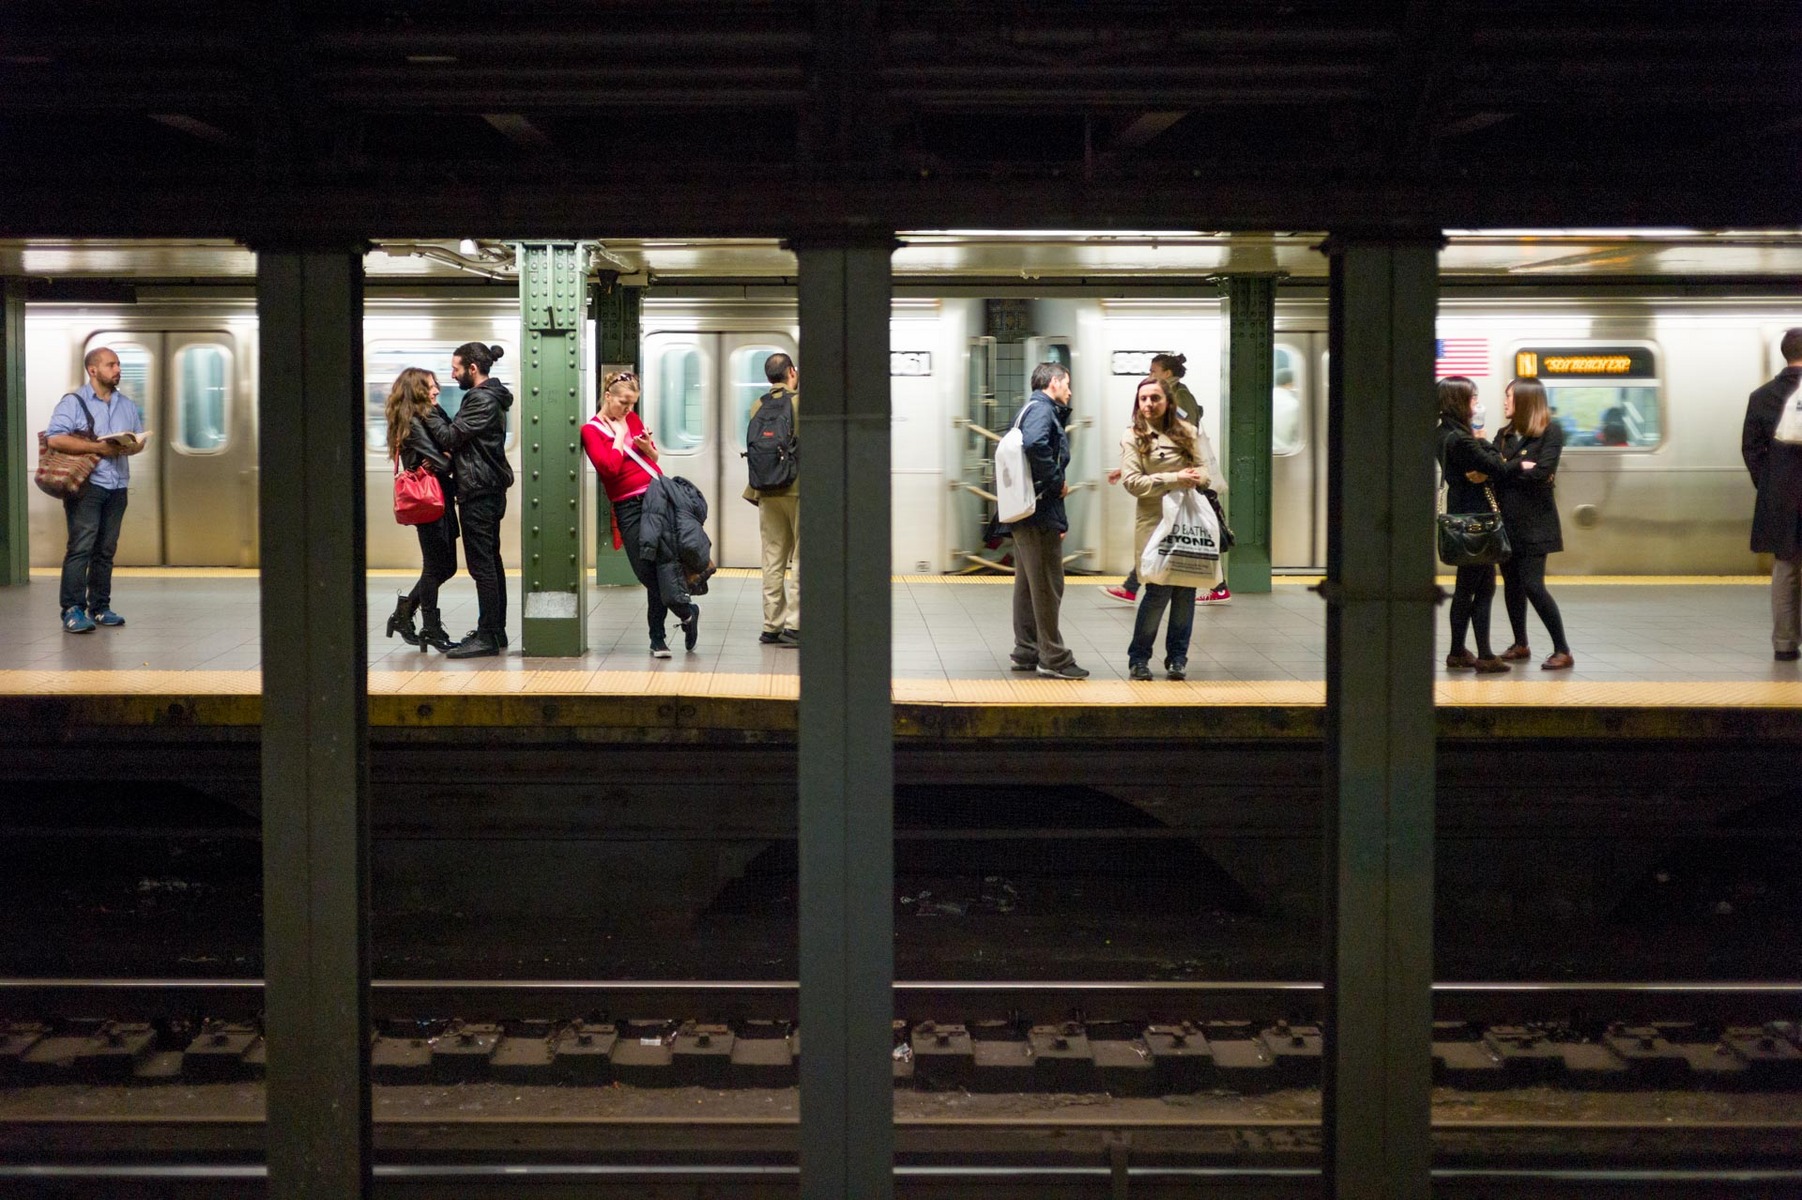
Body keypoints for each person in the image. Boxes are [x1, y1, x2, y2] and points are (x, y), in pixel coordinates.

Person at [581, 370, 698, 657]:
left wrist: (646, 447)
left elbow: (654, 457)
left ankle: (657, 639)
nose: (628, 409)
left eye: (632, 403)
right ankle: (687, 611)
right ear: (608, 396)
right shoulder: (590, 430)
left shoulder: (632, 419)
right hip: (627, 506)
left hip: (656, 496)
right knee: (645, 569)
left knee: (663, 565)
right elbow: (609, 469)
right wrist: (620, 436)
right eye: (623, 402)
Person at [1105, 354, 1231, 606]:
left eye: (1154, 371)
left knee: (1177, 541)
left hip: (1182, 487)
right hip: (1172, 488)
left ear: (1167, 374)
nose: (1150, 376)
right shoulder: (1167, 402)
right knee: (1171, 541)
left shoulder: (1179, 397)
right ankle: (1132, 586)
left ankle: (1216, 586)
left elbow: (1178, 442)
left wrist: (1175, 473)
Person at [46, 347, 146, 633]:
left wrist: (133, 446)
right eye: (111, 365)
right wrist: (98, 448)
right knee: (81, 547)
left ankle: (100, 607)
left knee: (105, 550)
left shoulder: (126, 405)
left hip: (118, 486)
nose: (118, 370)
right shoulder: (74, 402)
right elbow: (55, 438)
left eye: (118, 364)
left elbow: (138, 441)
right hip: (87, 486)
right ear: (93, 370)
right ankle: (72, 609)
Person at [1120, 376, 1208, 680]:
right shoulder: (1133, 436)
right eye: (1143, 398)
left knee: (1185, 591)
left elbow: (1207, 471)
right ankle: (1139, 659)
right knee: (1157, 592)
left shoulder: (1188, 432)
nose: (1148, 404)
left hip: (1186, 522)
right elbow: (1132, 483)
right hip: (1154, 524)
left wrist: (1198, 477)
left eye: (1155, 398)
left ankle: (1178, 658)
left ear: (1168, 402)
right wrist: (1175, 478)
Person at [1005, 362, 1088, 679]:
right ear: (1054, 382)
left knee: (1028, 585)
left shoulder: (1028, 409)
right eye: (1067, 383)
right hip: (1038, 511)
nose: (1070, 391)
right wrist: (1055, 482)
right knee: (1048, 585)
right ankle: (1053, 657)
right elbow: (1036, 444)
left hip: (1026, 510)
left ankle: (1027, 649)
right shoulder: (1042, 410)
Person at [432, 342, 514, 659]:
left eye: (456, 369)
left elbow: (450, 436)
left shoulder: (481, 398)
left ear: (473, 368)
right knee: (490, 561)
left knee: (482, 567)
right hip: (486, 489)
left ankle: (487, 635)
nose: (453, 375)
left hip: (479, 490)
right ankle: (495, 631)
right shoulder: (489, 397)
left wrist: (428, 409)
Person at [1493, 378, 1574, 670]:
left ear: (1525, 401)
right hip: (1507, 523)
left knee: (1532, 584)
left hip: (1535, 524)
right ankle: (1520, 643)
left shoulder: (1550, 431)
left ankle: (1562, 649)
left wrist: (1508, 471)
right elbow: (1494, 471)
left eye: (1509, 396)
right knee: (1512, 584)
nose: (1505, 402)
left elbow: (1541, 473)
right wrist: (1518, 467)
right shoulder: (1504, 434)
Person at [1436, 375, 1515, 673]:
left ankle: (1458, 651)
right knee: (1481, 588)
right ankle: (1484, 655)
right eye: (1473, 398)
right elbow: (1499, 466)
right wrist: (1484, 441)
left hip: (1462, 514)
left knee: (1468, 586)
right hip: (1477, 519)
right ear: (1458, 401)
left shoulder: (1443, 433)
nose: (1476, 404)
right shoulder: (1463, 439)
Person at [381, 368, 458, 653]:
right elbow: (444, 462)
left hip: (439, 498)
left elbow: (447, 449)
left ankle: (403, 615)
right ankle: (430, 629)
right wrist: (446, 456)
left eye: (436, 385)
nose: (437, 390)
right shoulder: (414, 423)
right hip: (428, 500)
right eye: (429, 386)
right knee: (436, 566)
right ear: (415, 391)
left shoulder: (429, 415)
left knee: (446, 566)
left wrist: (446, 454)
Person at [1742, 327, 1802, 662]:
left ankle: (1784, 644)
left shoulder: (1762, 396)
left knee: (1786, 567)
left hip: (1782, 495)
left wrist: (1769, 484)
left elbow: (1751, 449)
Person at [745, 352, 800, 647]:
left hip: (766, 490)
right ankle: (795, 625)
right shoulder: (799, 403)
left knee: (772, 557)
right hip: (798, 489)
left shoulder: (758, 405)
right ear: (791, 372)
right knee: (801, 557)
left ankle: (771, 625)